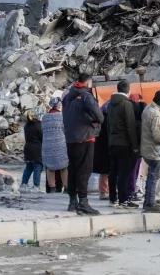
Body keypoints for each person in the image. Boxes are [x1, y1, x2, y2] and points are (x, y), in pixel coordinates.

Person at [62, 73, 104, 216]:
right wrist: (94, 123)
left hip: (70, 138)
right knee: (84, 170)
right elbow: (100, 116)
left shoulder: (67, 96)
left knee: (72, 169)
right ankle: (83, 202)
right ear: (88, 82)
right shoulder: (86, 96)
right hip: (85, 137)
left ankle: (72, 201)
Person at [106, 81, 140, 208]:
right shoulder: (126, 104)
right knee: (124, 172)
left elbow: (108, 125)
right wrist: (135, 146)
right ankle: (123, 200)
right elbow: (130, 126)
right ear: (128, 90)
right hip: (124, 143)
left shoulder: (110, 104)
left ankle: (112, 198)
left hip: (113, 142)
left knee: (113, 172)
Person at [139, 90, 160, 212]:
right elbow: (157, 136)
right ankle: (150, 204)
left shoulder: (147, 108)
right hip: (154, 151)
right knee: (153, 177)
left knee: (151, 176)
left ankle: (148, 201)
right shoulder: (156, 114)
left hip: (146, 148)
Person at [41, 97, 69, 194]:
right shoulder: (62, 117)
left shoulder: (44, 118)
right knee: (64, 167)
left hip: (47, 145)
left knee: (50, 167)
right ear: (59, 106)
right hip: (61, 144)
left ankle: (52, 188)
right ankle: (66, 187)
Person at [21, 109, 44, 192]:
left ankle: (24, 184)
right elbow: (42, 137)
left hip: (27, 148)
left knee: (29, 167)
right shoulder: (39, 125)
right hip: (37, 149)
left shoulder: (26, 126)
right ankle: (36, 186)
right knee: (37, 167)